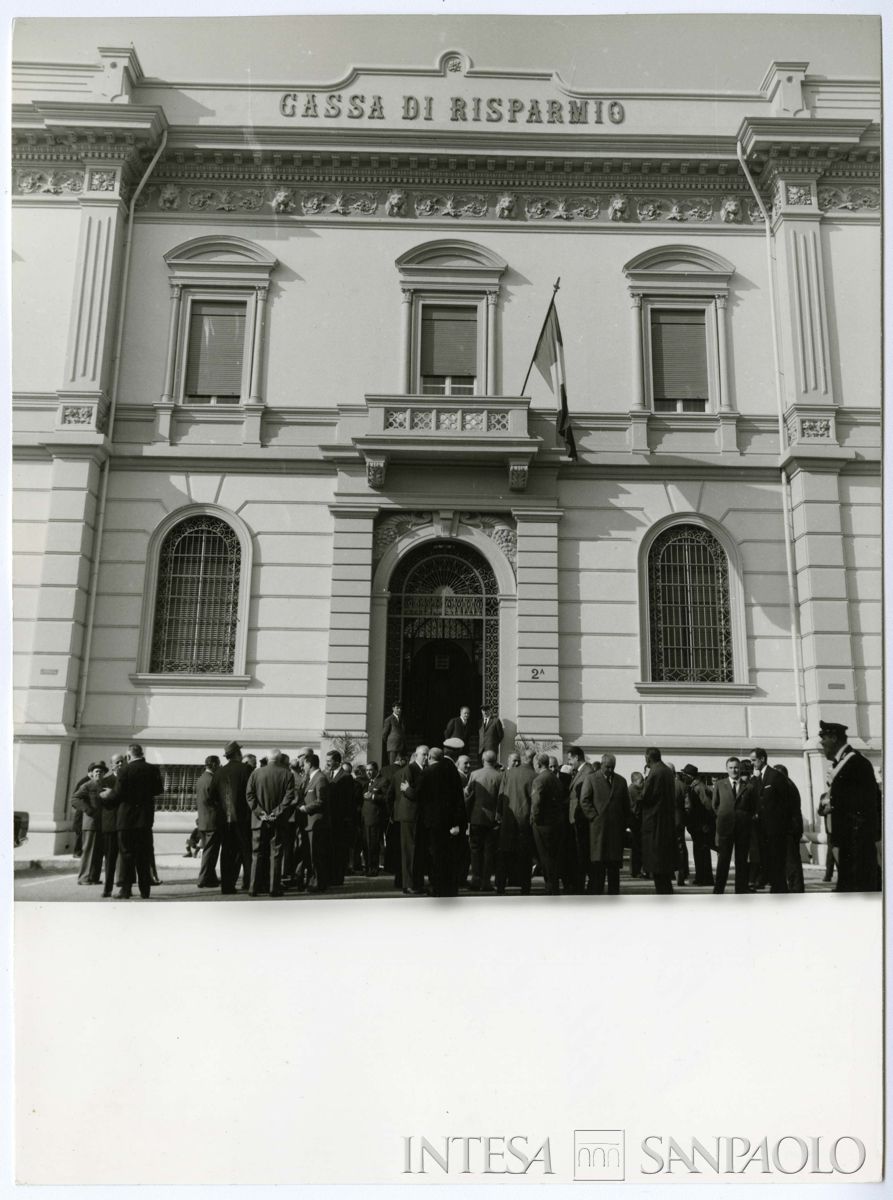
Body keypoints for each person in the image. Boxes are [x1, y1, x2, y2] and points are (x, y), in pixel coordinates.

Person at [818, 719, 881, 892]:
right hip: (848, 843)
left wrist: (833, 806)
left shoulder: (856, 763)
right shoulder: (843, 763)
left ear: (834, 739)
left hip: (856, 844)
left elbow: (865, 803)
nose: (821, 743)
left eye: (824, 739)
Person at [113, 744, 164, 900]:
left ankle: (126, 889)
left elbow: (118, 794)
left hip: (126, 819)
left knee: (127, 855)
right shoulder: (152, 769)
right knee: (144, 854)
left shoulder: (124, 770)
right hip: (144, 819)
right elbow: (158, 790)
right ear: (142, 753)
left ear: (129, 756)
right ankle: (145, 890)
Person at [417, 747, 467, 897]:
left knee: (435, 855)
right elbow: (458, 800)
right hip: (449, 822)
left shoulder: (429, 771)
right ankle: (449, 887)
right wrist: (459, 822)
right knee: (449, 855)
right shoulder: (454, 772)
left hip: (432, 821)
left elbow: (420, 795)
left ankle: (437, 886)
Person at [246, 748, 295, 897]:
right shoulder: (287, 774)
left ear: (267, 759)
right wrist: (276, 812)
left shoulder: (256, 773)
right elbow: (289, 796)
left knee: (256, 854)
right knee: (276, 854)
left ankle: (253, 887)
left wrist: (261, 813)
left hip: (259, 821)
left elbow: (249, 795)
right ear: (279, 760)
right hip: (278, 821)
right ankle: (274, 888)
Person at [580, 753, 630, 895]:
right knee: (598, 866)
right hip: (598, 830)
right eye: (607, 767)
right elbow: (584, 800)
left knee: (614, 868)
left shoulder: (621, 781)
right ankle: (597, 895)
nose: (610, 770)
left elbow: (626, 804)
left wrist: (623, 823)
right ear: (602, 765)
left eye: (612, 767)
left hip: (615, 830)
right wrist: (594, 817)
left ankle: (614, 896)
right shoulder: (591, 779)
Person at [210, 741, 254, 894]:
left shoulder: (218, 772)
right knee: (246, 852)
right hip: (243, 818)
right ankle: (250, 884)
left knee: (227, 852)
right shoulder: (246, 769)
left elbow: (212, 796)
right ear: (237, 754)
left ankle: (227, 886)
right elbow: (252, 793)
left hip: (224, 819)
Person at [749, 747, 792, 893]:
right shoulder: (758, 777)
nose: (752, 763)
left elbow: (785, 803)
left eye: (754, 760)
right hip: (762, 830)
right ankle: (776, 888)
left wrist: (780, 825)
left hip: (775, 829)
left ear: (762, 759)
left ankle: (780, 890)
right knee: (768, 861)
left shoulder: (775, 776)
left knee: (776, 862)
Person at [712, 756, 755, 894]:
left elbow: (753, 807)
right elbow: (715, 805)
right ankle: (718, 890)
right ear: (726, 769)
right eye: (731, 767)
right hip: (725, 828)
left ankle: (741, 889)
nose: (734, 770)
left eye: (736, 767)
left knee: (741, 860)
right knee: (723, 861)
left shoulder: (748, 786)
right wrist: (726, 816)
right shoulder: (719, 784)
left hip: (743, 829)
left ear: (740, 768)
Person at [496, 748, 535, 894]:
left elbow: (501, 794)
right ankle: (525, 886)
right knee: (525, 856)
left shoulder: (508, 773)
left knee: (504, 854)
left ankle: (500, 885)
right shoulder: (534, 775)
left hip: (508, 818)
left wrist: (499, 813)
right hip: (525, 821)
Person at [464, 750, 502, 892]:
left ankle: (475, 879)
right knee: (489, 851)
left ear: (482, 760)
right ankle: (486, 882)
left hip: (476, 817)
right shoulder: (499, 776)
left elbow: (469, 796)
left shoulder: (474, 774)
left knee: (475, 850)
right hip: (492, 819)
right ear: (495, 760)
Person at [640, 747, 676, 894]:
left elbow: (645, 796)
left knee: (657, 864)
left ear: (648, 759)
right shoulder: (667, 771)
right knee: (664, 865)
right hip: (666, 821)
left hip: (654, 823)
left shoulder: (654, 772)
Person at [393, 745, 427, 894]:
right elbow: (413, 794)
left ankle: (415, 883)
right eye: (424, 755)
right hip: (410, 816)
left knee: (416, 849)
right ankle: (410, 884)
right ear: (416, 755)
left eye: (427, 755)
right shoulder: (411, 769)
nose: (426, 758)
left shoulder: (422, 770)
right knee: (410, 850)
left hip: (416, 815)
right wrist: (409, 790)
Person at [298, 752, 332, 892]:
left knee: (316, 855)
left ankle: (318, 883)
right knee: (311, 855)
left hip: (317, 823)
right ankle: (314, 881)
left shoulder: (320, 778)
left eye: (304, 764)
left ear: (310, 764)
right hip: (309, 823)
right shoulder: (310, 778)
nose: (303, 766)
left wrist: (305, 808)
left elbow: (321, 801)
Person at [531, 753, 564, 894]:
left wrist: (534, 818)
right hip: (555, 823)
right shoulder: (555, 779)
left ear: (538, 764)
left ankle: (550, 886)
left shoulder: (539, 779)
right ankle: (553, 884)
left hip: (542, 824)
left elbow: (536, 802)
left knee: (545, 857)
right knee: (553, 856)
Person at [72, 762, 107, 885]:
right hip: (90, 823)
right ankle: (83, 878)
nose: (99, 773)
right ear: (91, 774)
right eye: (96, 771)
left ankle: (94, 877)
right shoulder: (86, 785)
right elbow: (75, 799)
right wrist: (87, 809)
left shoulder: (104, 786)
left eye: (101, 772)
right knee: (88, 851)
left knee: (98, 851)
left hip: (102, 824)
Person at [566, 746, 596, 893]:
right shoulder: (580, 772)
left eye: (570, 759)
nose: (569, 762)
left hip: (582, 820)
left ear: (577, 757)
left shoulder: (587, 773)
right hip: (576, 819)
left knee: (583, 854)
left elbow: (586, 799)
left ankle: (585, 885)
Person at [681, 764, 715, 887]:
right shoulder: (694, 787)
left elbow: (708, 807)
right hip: (698, 826)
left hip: (701, 827)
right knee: (699, 852)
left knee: (702, 852)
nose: (684, 777)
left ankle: (705, 878)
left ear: (690, 776)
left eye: (685, 775)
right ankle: (701, 877)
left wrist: (706, 824)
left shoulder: (699, 788)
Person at [325, 749, 355, 886]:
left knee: (339, 850)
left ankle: (338, 877)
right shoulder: (327, 775)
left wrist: (347, 818)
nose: (327, 763)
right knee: (331, 848)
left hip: (341, 820)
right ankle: (331, 875)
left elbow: (349, 800)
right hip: (330, 819)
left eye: (329, 761)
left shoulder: (346, 777)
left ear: (337, 762)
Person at [774, 763, 805, 892]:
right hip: (792, 827)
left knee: (791, 861)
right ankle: (793, 886)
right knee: (790, 860)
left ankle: (795, 887)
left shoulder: (786, 787)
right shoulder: (790, 785)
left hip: (788, 829)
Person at [195, 755, 221, 888]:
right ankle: (203, 878)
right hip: (212, 820)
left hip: (203, 820)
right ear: (215, 765)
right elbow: (215, 801)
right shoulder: (212, 780)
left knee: (209, 850)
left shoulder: (201, 779)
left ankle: (211, 878)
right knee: (210, 852)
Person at [360, 761, 386, 876]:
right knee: (366, 844)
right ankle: (367, 867)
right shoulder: (367, 783)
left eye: (370, 770)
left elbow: (386, 798)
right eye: (367, 770)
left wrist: (374, 796)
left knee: (373, 844)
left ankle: (374, 868)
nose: (368, 772)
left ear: (376, 770)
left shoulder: (383, 781)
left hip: (375, 817)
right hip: (365, 818)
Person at [627, 770, 645, 879]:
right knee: (636, 847)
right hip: (636, 822)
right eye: (641, 781)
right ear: (635, 781)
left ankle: (637, 870)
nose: (643, 783)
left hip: (637, 821)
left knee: (637, 847)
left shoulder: (634, 789)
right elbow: (640, 800)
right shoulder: (633, 789)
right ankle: (636, 870)